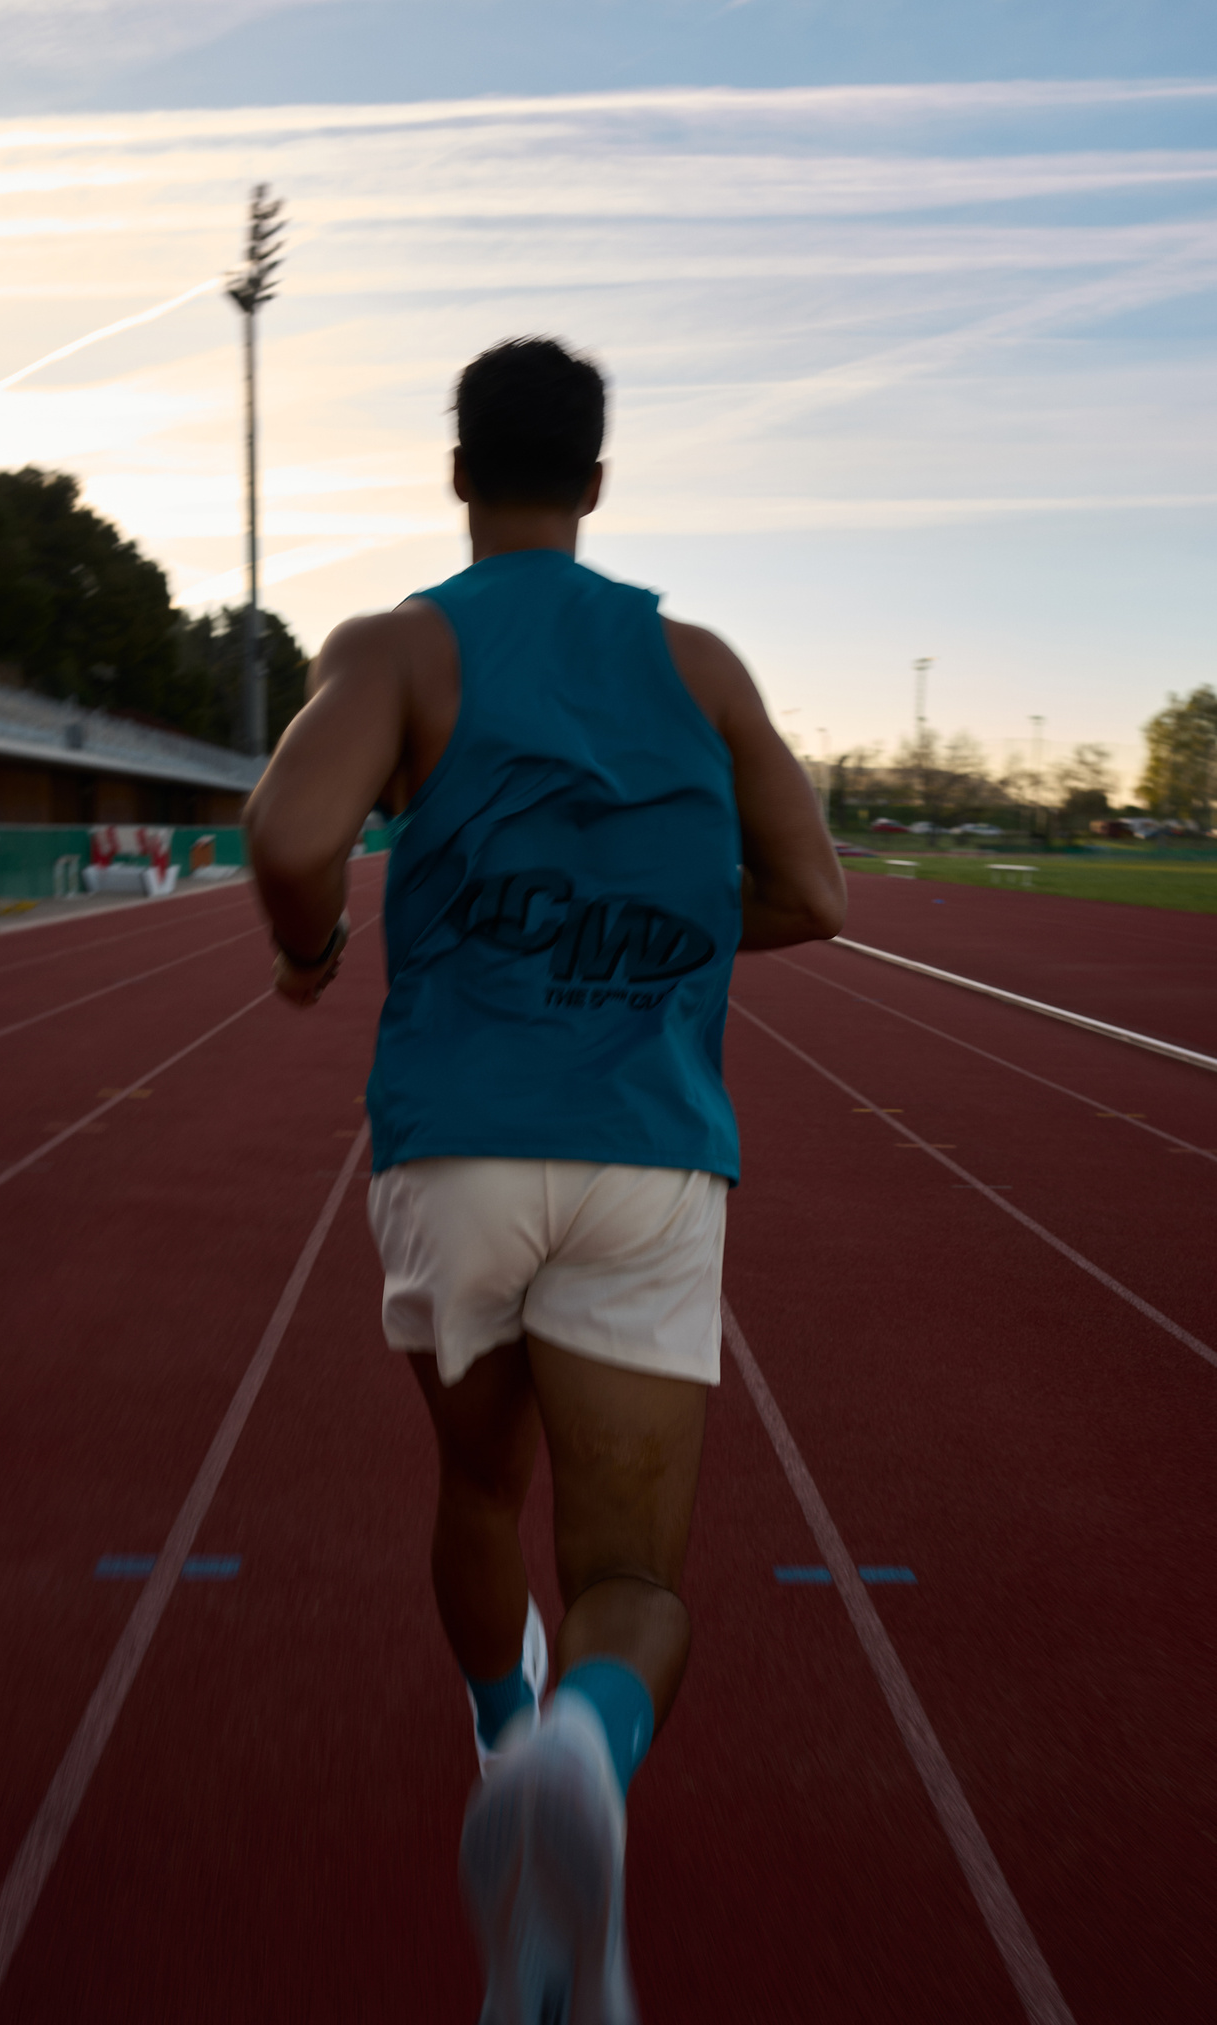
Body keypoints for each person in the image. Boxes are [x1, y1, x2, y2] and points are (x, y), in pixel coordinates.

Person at [246, 337, 845, 2022]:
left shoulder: (398, 646)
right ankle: (584, 1749)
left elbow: (290, 835)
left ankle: (508, 1742)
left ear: (459, 477)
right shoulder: (698, 664)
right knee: (631, 1578)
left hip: (456, 1146)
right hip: (650, 1151)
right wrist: (649, 929)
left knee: (476, 1490)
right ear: (594, 482)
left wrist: (313, 950)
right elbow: (815, 894)